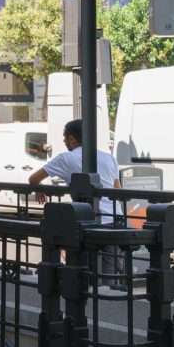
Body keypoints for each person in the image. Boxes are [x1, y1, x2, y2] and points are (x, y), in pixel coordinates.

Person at [29, 119, 122, 278]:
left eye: (65, 137)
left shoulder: (66, 158)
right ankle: (108, 295)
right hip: (115, 219)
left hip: (87, 221)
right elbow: (118, 192)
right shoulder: (109, 158)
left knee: (84, 271)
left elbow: (33, 178)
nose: (64, 140)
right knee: (110, 273)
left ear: (72, 139)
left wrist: (39, 188)